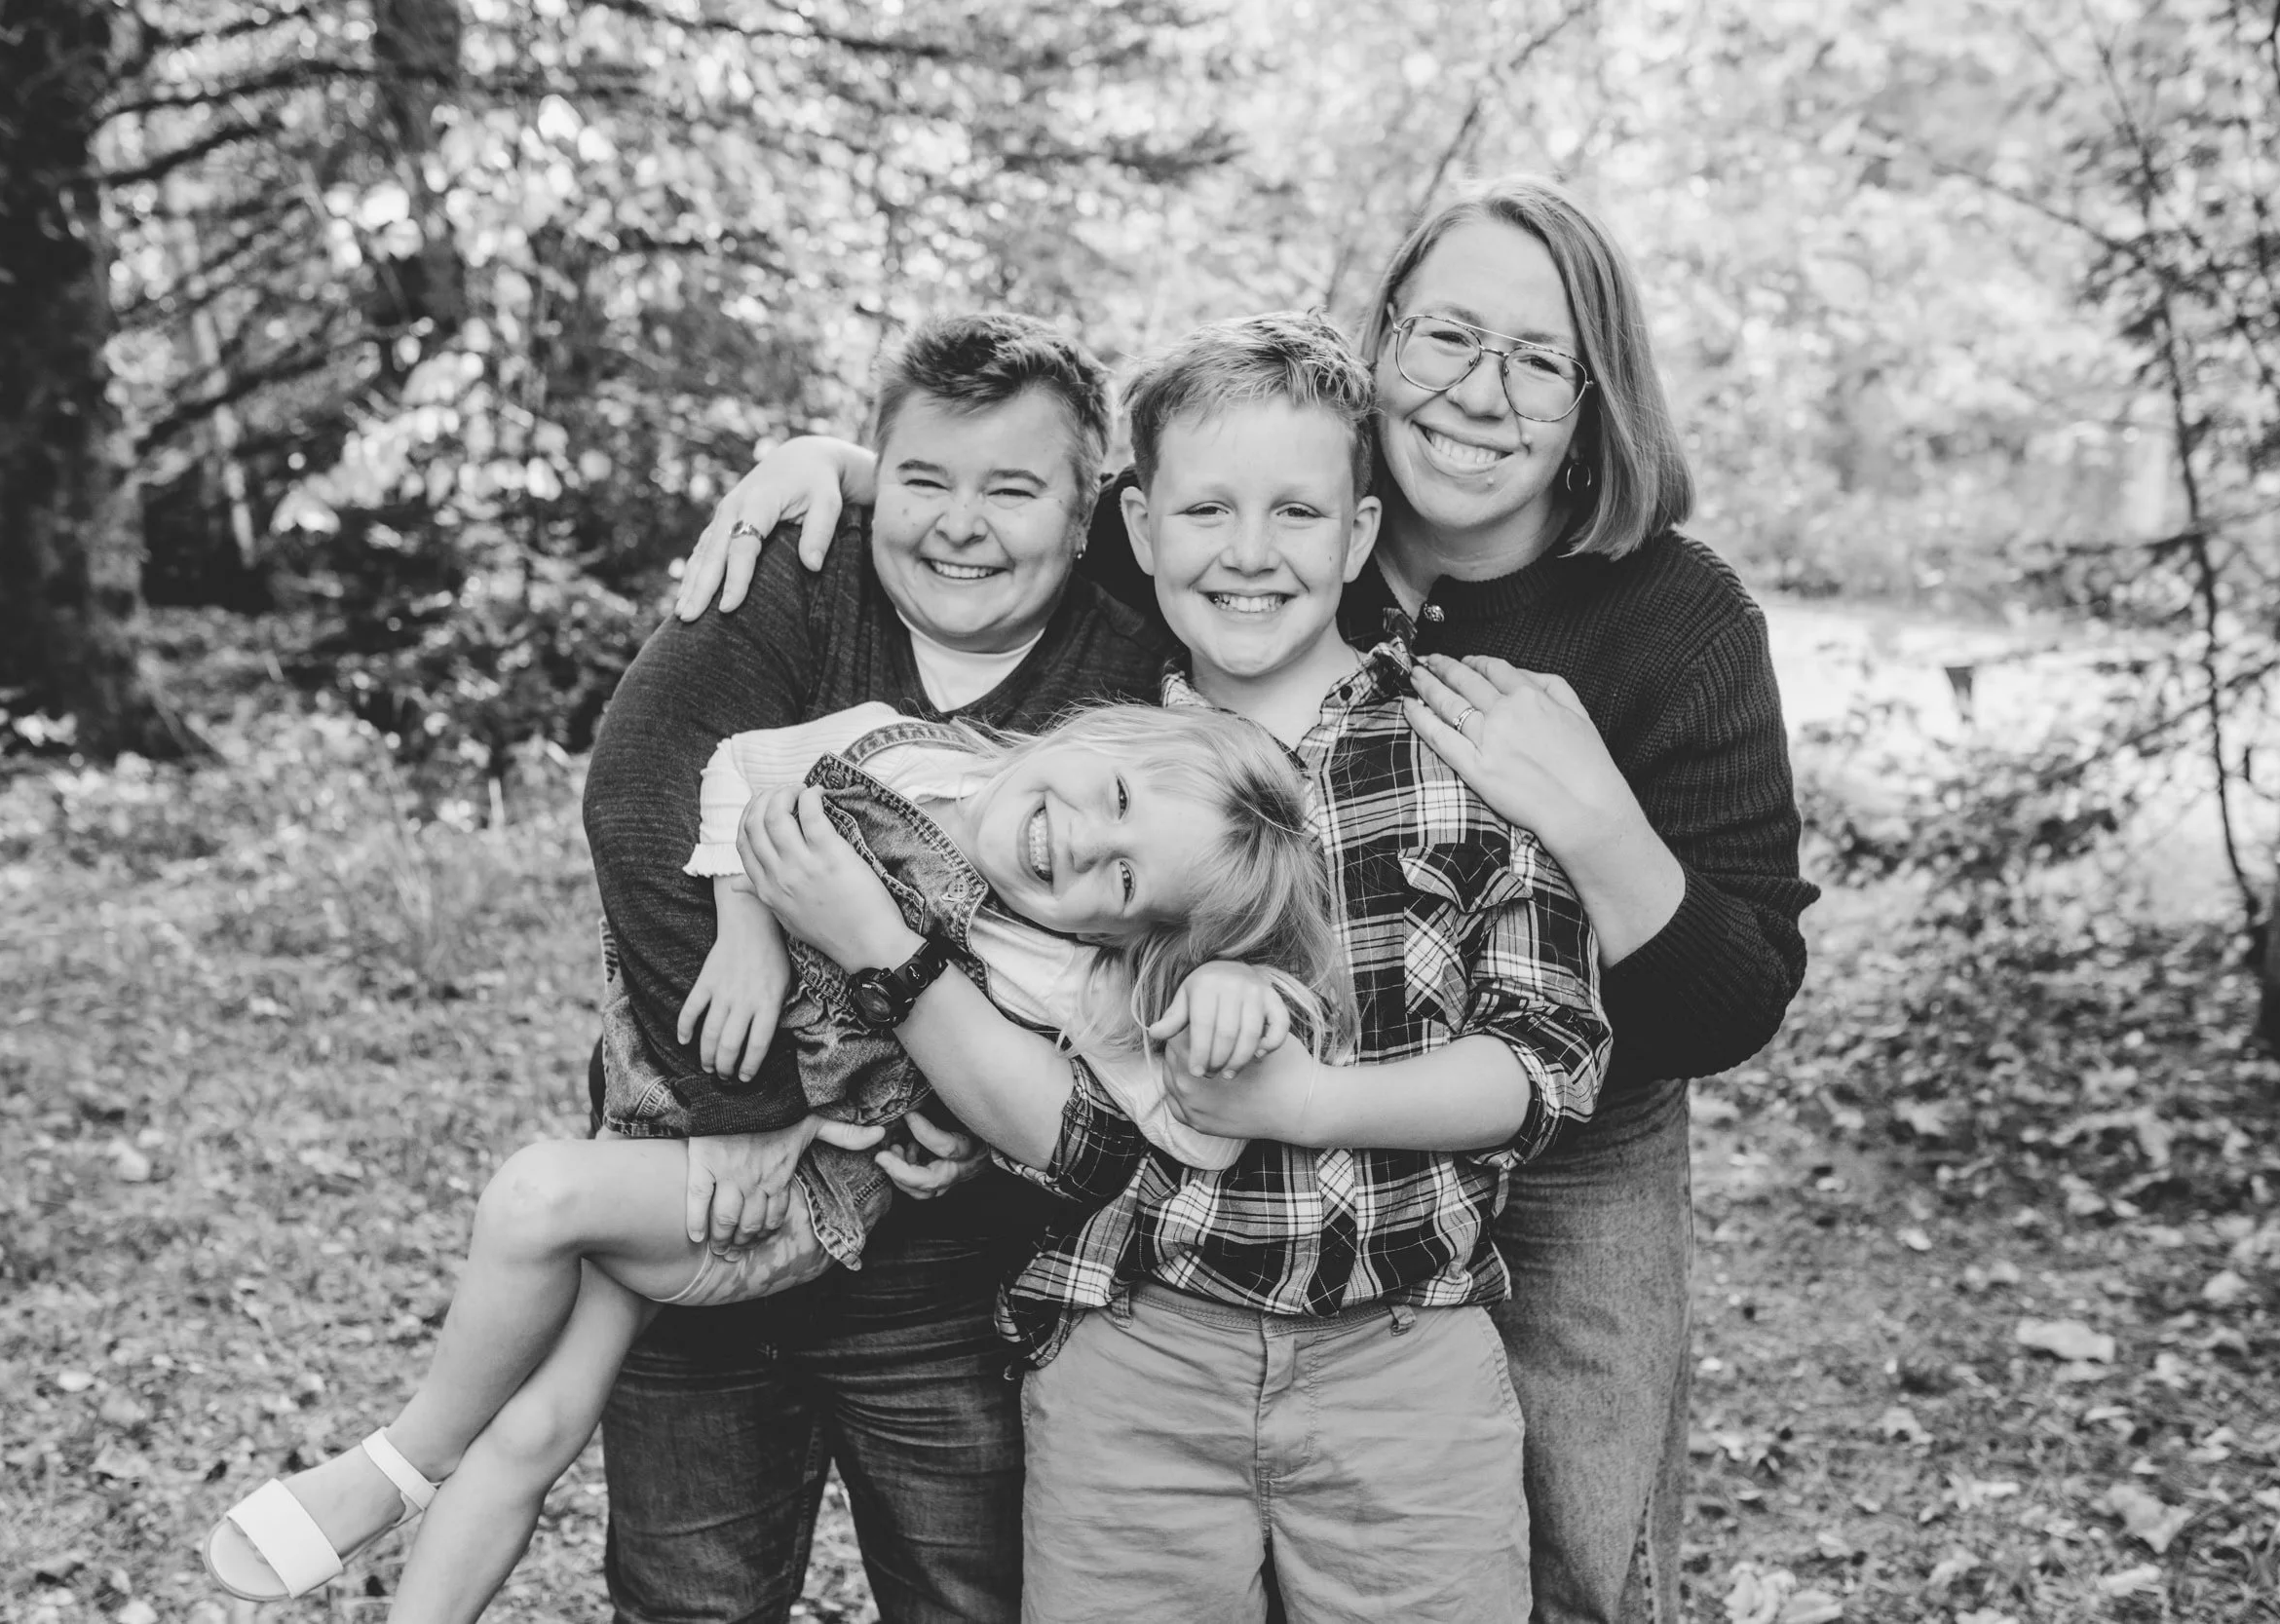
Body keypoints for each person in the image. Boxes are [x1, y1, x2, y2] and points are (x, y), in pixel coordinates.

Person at [683, 177, 1820, 1624]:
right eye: (1447, 337)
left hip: (1553, 1129)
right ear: (1383, 342)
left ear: (1597, 394)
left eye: (1538, 359)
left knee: (1568, 1535)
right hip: (1170, 1270)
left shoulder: (1657, 627)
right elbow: (1031, 491)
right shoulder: (1192, 605)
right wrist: (844, 462)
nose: (1481, 391)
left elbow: (1698, 1005)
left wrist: (1594, 822)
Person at [739, 310, 1611, 1622]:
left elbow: (1552, 1053)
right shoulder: (1082, 752)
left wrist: (1309, 1098)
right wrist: (822, 457)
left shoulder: (1462, 749)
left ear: (1360, 536)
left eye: (1297, 514)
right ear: (1140, 531)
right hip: (1136, 1341)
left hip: (1403, 1357)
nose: (1249, 553)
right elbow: (1031, 1062)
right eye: (1205, 510)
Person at [202, 700, 1344, 1618]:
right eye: (1118, 795)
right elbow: (743, 764)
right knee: (541, 1425)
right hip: (665, 1125)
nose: (1083, 841)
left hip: (799, 1200)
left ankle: (398, 1459)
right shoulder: (899, 745)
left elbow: (1193, 1127)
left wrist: (1231, 988)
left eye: (1126, 881)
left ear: (1125, 938)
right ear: (1094, 731)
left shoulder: (1077, 976)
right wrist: (747, 927)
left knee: (534, 1196)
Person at [585, 311, 1173, 1623]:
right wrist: (757, 1121)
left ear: (1089, 513)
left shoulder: (1136, 657)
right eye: (921, 481)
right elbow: (640, 800)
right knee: (687, 1590)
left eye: (1014, 491)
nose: (960, 525)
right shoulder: (800, 571)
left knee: (969, 1590)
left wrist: (925, 1112)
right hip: (710, 1189)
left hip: (954, 1251)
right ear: (876, 476)